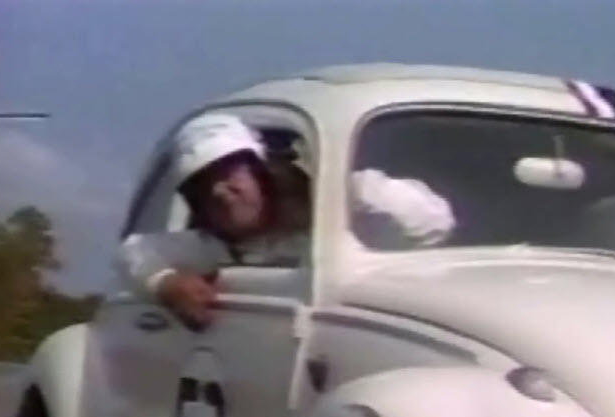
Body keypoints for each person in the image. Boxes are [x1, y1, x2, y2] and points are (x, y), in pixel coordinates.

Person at [118, 113, 455, 328]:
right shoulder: (212, 247)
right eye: (203, 186)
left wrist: (346, 191)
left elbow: (435, 222)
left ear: (261, 170)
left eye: (229, 171)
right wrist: (166, 284)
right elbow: (134, 253)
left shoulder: (346, 212)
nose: (220, 191)